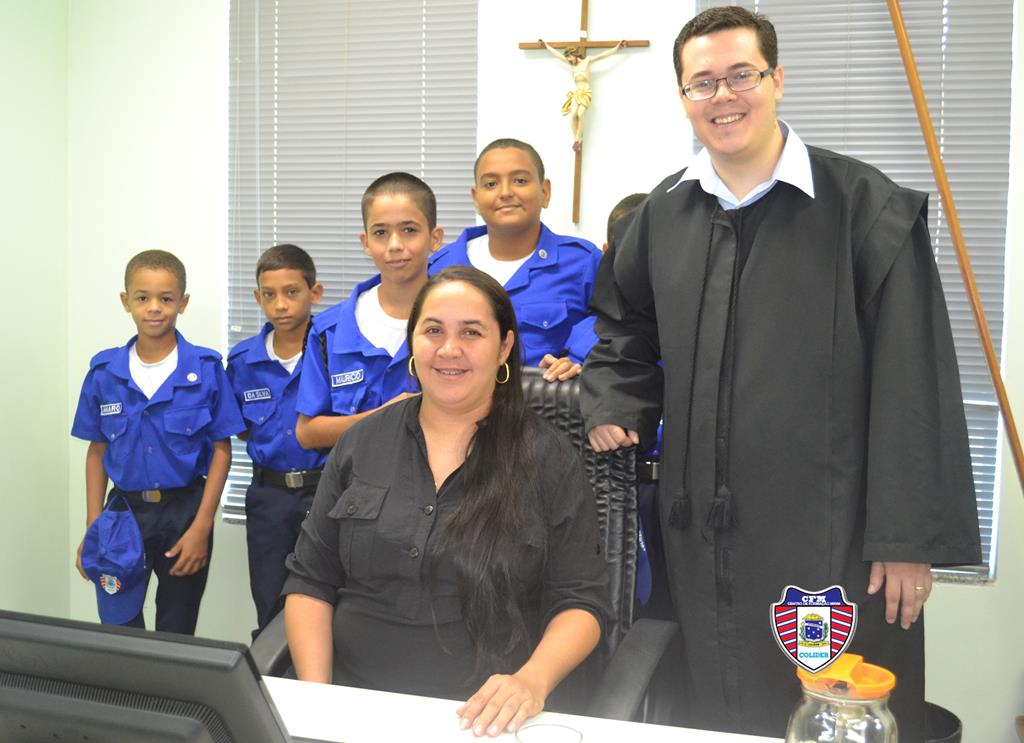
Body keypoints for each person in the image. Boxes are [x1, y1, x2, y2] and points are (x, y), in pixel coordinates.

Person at [580, 7, 981, 739]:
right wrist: (617, 397)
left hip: (830, 537)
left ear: (777, 80)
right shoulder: (664, 212)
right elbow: (623, 322)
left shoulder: (864, 207)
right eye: (703, 82)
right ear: (682, 96)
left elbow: (914, 378)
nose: (723, 96)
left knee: (832, 713)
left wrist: (907, 538)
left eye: (742, 75)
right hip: (699, 536)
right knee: (712, 710)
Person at [282, 266, 608, 738]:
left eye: (471, 332)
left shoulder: (547, 456)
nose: (449, 349)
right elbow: (311, 580)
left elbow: (583, 602)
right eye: (433, 330)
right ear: (412, 343)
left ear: (504, 347)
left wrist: (531, 682)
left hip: (484, 720)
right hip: (352, 707)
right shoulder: (361, 442)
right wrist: (317, 703)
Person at [71, 250, 245, 634]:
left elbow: (221, 449)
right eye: (142, 297)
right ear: (126, 301)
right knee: (119, 627)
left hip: (184, 513)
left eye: (166, 298)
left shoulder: (206, 369)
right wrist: (94, 525)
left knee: (176, 630)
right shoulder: (104, 373)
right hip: (122, 514)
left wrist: (202, 526)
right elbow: (97, 451)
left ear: (183, 302)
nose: (154, 308)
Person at [429, 138, 602, 382]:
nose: (505, 192)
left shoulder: (582, 262)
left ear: (545, 192)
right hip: (458, 399)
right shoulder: (441, 268)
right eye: (491, 184)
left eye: (520, 181)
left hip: (547, 401)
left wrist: (579, 357)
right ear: (476, 198)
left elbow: (613, 321)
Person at [294, 172, 442, 450]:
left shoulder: (461, 320)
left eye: (409, 230)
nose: (395, 245)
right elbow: (307, 432)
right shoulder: (329, 332)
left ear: (435, 238)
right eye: (380, 233)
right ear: (365, 242)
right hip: (356, 477)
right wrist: (385, 417)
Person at [226, 244, 325, 633]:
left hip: (325, 493)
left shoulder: (332, 352)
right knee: (269, 601)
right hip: (268, 497)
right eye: (269, 294)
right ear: (257, 297)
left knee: (325, 599)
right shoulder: (242, 362)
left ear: (314, 293)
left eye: (292, 292)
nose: (280, 304)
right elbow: (242, 427)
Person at [539, 40, 625, 151]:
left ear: (574, 54)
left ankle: (577, 140)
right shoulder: (572, 65)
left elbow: (603, 55)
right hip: (576, 93)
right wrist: (546, 46)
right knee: (573, 115)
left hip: (586, 93)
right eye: (568, 59)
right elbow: (558, 55)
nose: (569, 60)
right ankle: (576, 140)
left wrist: (617, 48)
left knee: (580, 114)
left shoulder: (587, 61)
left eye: (570, 57)